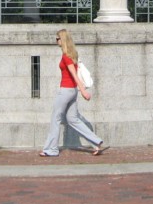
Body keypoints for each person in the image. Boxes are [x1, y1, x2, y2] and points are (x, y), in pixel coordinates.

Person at [40, 29, 107, 157]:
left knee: (56, 119)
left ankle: (51, 149)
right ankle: (96, 142)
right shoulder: (72, 54)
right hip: (72, 92)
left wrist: (83, 91)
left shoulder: (66, 56)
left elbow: (74, 75)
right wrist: (79, 90)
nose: (56, 41)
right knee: (73, 120)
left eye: (57, 38)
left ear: (63, 40)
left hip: (65, 91)